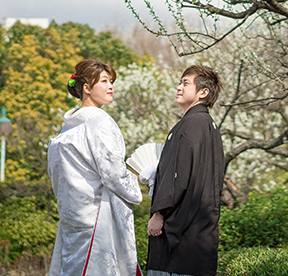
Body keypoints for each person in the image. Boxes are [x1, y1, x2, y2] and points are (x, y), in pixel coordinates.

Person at [47, 59, 142, 276]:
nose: (111, 87)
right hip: (98, 215)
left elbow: (56, 172)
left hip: (72, 214)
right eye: (104, 81)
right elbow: (112, 172)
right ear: (87, 88)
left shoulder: (66, 128)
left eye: (111, 82)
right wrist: (133, 182)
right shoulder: (100, 121)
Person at [146, 65, 225, 276]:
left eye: (185, 83)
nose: (179, 87)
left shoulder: (192, 124)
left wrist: (159, 213)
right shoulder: (207, 124)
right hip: (199, 234)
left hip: (178, 238)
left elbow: (179, 174)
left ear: (203, 92)